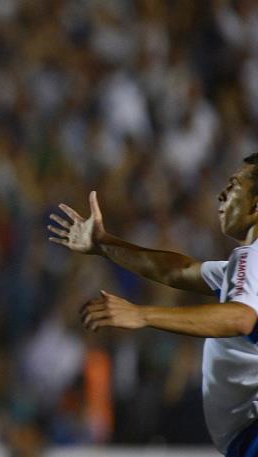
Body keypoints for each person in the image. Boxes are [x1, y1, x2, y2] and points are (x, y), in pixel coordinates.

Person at [48, 154, 258, 456]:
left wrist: (141, 314)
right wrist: (103, 244)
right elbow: (177, 270)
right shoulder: (241, 267)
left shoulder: (254, 257)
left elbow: (241, 318)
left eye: (234, 185)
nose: (221, 194)